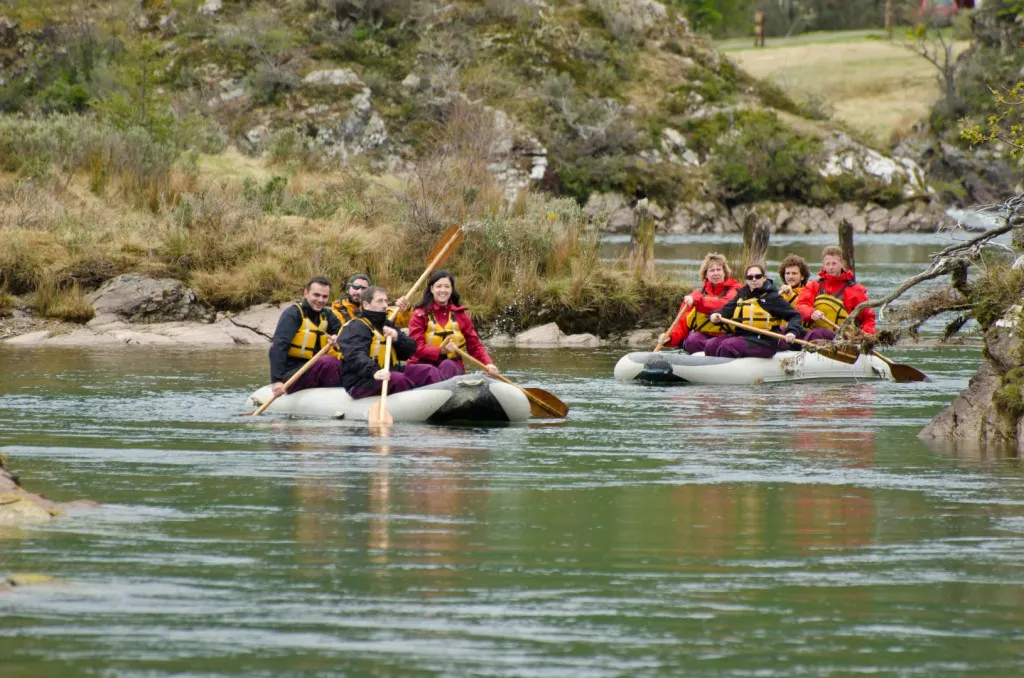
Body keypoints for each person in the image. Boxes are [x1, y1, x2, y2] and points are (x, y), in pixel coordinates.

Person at [338, 285, 446, 399]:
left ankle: (440, 403)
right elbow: (355, 355)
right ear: (366, 305)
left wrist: (397, 338)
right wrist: (374, 371)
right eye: (380, 301)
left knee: (429, 370)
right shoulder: (355, 327)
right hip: (362, 380)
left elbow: (411, 350)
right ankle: (414, 406)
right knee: (397, 379)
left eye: (386, 301)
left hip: (391, 371)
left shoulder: (387, 324)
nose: (385, 305)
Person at [408, 270, 497, 379]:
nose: (443, 290)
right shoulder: (419, 315)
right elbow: (416, 347)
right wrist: (440, 351)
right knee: (436, 369)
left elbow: (475, 345)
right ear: (431, 289)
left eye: (447, 286)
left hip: (453, 368)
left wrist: (488, 363)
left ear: (451, 290)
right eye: (438, 286)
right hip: (425, 367)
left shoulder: (461, 316)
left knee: (448, 364)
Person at [705, 262, 802, 359]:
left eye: (757, 276)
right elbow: (726, 310)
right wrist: (716, 315)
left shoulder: (772, 297)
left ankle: (727, 371)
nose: (754, 279)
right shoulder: (742, 295)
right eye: (750, 277)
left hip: (765, 341)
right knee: (711, 344)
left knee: (728, 345)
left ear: (764, 278)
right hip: (742, 336)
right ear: (746, 279)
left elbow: (795, 315)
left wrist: (792, 332)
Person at [268, 276, 342, 396]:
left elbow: (343, 333)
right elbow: (278, 347)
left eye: (325, 296)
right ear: (306, 293)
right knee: (329, 362)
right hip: (292, 374)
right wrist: (276, 381)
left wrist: (338, 338)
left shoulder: (327, 315)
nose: (320, 300)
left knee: (342, 363)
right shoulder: (293, 314)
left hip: (315, 370)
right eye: (316, 295)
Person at [660, 252, 741, 354]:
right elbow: (681, 323)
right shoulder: (696, 295)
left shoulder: (736, 289)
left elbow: (724, 303)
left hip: (728, 336)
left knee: (713, 344)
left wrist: (698, 300)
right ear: (706, 274)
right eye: (712, 270)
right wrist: (669, 338)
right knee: (691, 340)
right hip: (705, 337)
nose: (716, 273)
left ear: (724, 272)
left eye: (719, 270)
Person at [795, 246, 875, 342]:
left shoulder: (855, 290)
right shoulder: (813, 286)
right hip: (813, 332)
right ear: (823, 265)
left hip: (840, 337)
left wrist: (867, 335)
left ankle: (804, 350)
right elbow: (801, 305)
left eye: (834, 263)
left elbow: (868, 317)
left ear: (841, 264)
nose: (831, 267)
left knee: (817, 332)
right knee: (785, 330)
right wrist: (811, 312)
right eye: (827, 264)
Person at [330, 273, 411, 327]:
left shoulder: (376, 308)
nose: (359, 292)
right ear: (348, 289)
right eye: (356, 287)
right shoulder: (335, 312)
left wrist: (405, 311)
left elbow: (402, 322)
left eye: (364, 289)